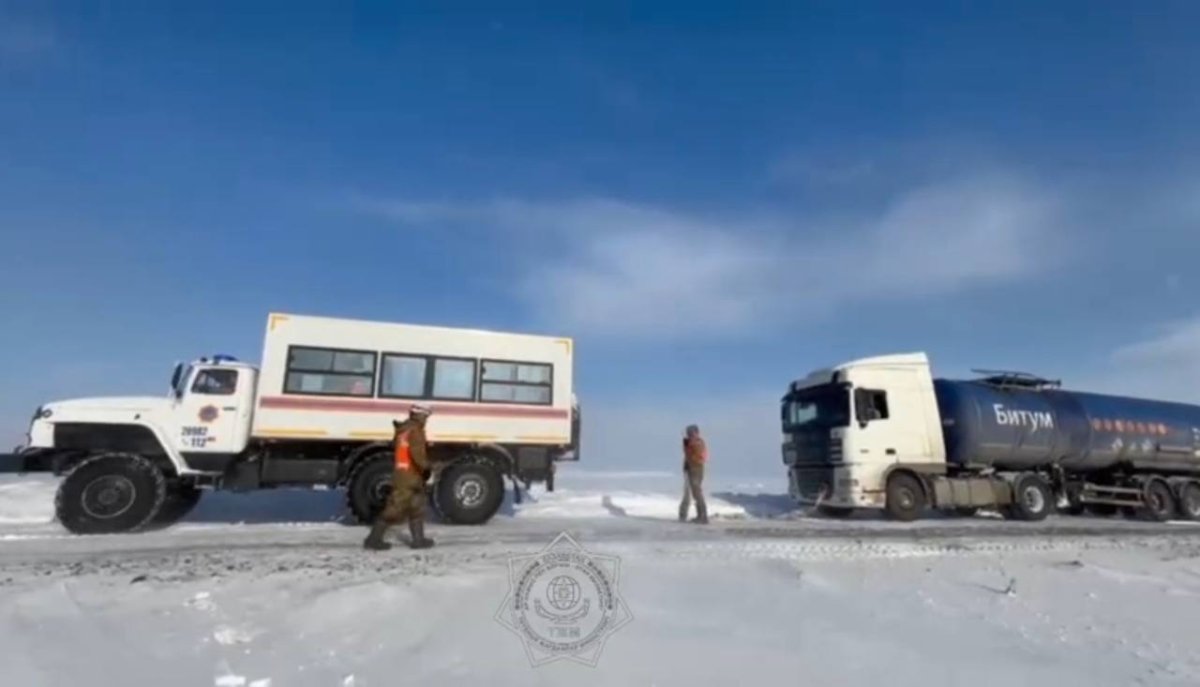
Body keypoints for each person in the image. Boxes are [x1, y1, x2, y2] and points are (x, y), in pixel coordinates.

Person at [363, 404, 436, 550]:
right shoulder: (416, 431)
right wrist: (427, 468)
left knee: (416, 506)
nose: (426, 419)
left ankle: (418, 540)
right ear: (420, 415)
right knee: (394, 509)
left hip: (403, 473)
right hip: (410, 475)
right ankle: (373, 539)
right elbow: (417, 455)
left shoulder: (404, 429)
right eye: (426, 416)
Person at [678, 424, 709, 524]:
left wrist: (689, 444)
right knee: (691, 492)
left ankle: (703, 516)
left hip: (696, 468)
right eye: (688, 433)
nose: (689, 435)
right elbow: (687, 453)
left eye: (691, 433)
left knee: (697, 491)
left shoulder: (698, 442)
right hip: (690, 467)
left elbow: (699, 455)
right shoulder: (690, 442)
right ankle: (696, 515)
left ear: (696, 433)